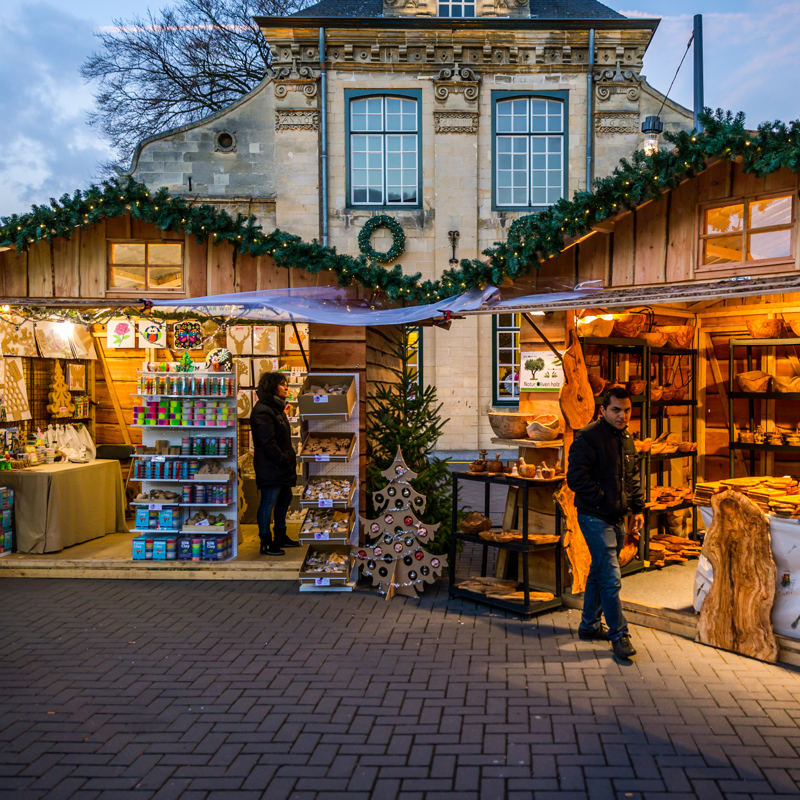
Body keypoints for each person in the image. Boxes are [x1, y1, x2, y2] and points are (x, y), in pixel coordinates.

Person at [566, 386, 644, 660]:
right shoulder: (587, 437)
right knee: (611, 578)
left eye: (627, 411)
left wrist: (637, 508)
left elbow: (632, 476)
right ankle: (618, 634)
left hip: (616, 515)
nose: (622, 416)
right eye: (616, 410)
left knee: (600, 572)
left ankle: (589, 626)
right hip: (593, 515)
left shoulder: (626, 439)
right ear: (602, 410)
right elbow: (576, 478)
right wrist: (602, 498)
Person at [251, 371, 299, 556]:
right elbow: (266, 442)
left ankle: (280, 536)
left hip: (281, 466)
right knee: (268, 502)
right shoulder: (263, 410)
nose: (286, 387)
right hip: (272, 466)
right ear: (271, 387)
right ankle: (265, 542)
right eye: (282, 384)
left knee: (284, 499)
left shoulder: (276, 409)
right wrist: (283, 459)